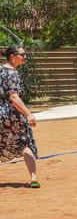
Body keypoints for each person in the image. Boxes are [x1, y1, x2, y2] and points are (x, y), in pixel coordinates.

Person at [0, 45, 39, 188]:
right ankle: (33, 177)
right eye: (22, 54)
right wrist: (28, 114)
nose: (25, 57)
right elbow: (14, 97)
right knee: (25, 143)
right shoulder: (13, 74)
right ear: (12, 56)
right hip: (12, 115)